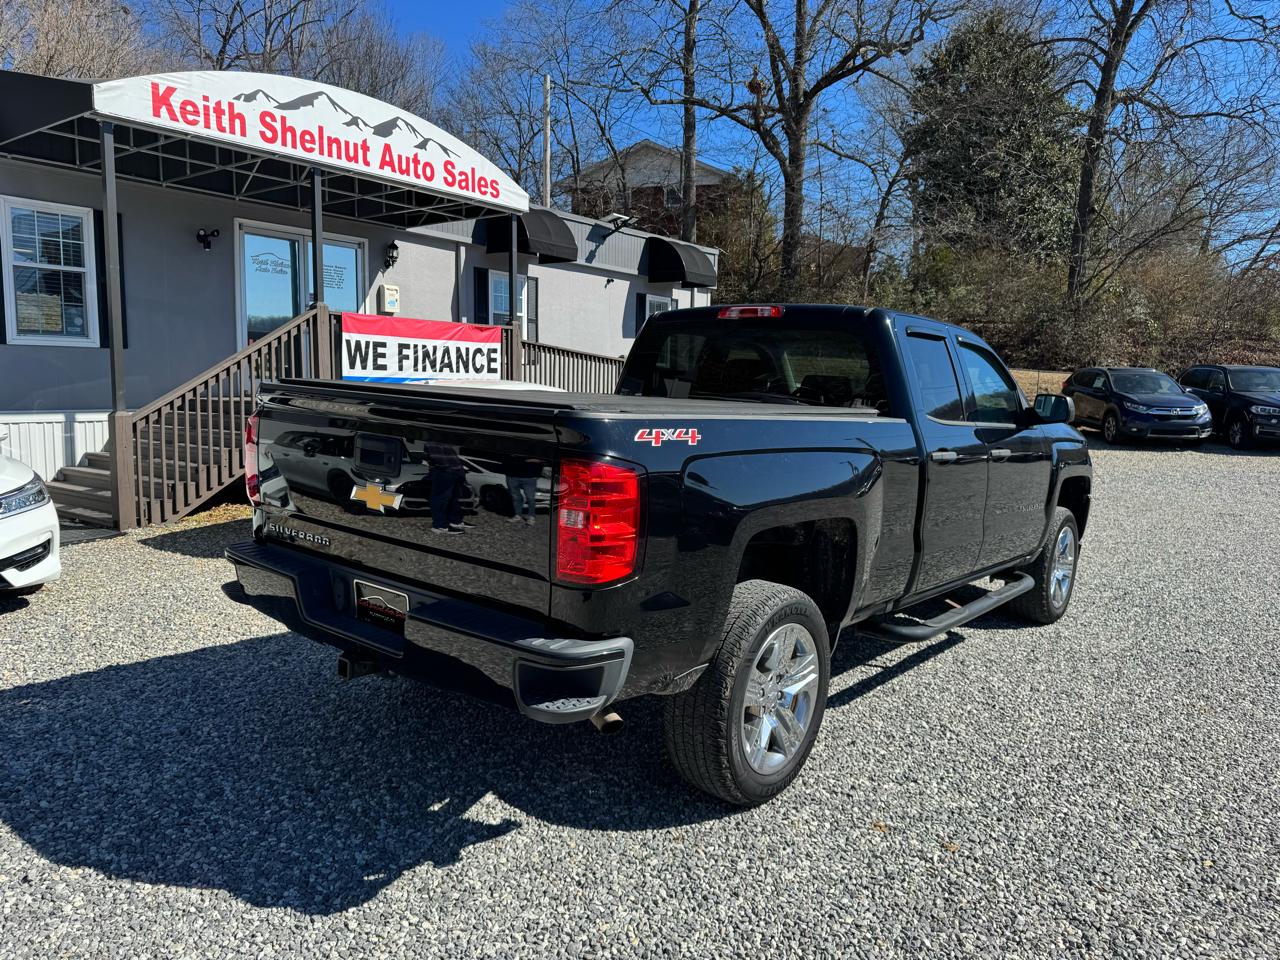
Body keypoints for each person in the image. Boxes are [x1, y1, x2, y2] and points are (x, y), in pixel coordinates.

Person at [424, 439, 470, 534]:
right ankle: (440, 526)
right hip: (445, 472)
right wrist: (448, 469)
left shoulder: (443, 441)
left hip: (452, 471)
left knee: (452, 498)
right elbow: (438, 458)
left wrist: (458, 470)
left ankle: (455, 521)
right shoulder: (432, 440)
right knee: (440, 499)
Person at [505, 455, 540, 524]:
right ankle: (518, 516)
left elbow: (542, 460)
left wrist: (537, 474)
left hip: (530, 477)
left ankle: (531, 517)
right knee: (516, 497)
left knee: (530, 498)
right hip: (513, 476)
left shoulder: (535, 448)